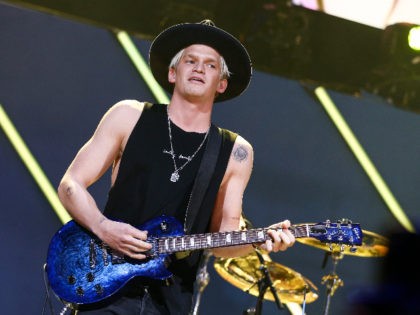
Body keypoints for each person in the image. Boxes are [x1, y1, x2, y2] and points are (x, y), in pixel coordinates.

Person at [57, 19, 295, 314]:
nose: (198, 68)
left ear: (222, 83)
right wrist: (103, 227)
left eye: (210, 65)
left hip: (169, 302)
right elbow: (71, 184)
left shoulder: (236, 152)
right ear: (173, 72)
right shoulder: (128, 117)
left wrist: (261, 241)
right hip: (106, 291)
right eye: (190, 61)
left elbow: (223, 241)